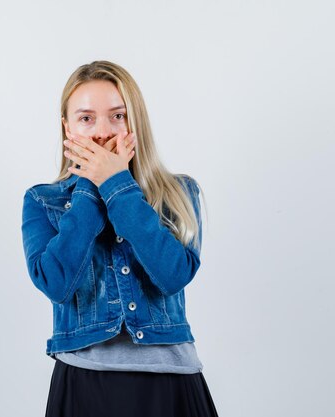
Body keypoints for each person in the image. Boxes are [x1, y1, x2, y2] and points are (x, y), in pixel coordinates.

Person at [21, 60, 220, 417]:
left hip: (171, 382)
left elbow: (173, 275)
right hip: (84, 383)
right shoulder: (41, 200)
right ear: (67, 127)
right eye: (86, 118)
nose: (102, 132)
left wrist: (117, 186)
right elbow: (56, 284)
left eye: (117, 116)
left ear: (135, 122)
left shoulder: (179, 192)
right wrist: (90, 187)